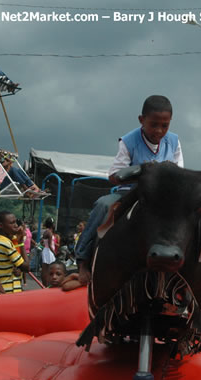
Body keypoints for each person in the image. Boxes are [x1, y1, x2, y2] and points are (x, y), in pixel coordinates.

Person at [74, 95, 184, 286]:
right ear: (141, 120)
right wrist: (142, 171)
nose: (159, 130)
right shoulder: (128, 141)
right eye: (153, 124)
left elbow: (179, 172)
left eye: (164, 125)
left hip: (160, 194)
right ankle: (83, 261)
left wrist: (169, 171)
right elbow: (114, 174)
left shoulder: (174, 141)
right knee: (102, 204)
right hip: (130, 192)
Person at [0, 211, 31, 293]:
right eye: (12, 223)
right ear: (1, 225)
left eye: (15, 222)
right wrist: (21, 243)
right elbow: (26, 267)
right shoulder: (5, 243)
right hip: (9, 291)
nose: (16, 225)